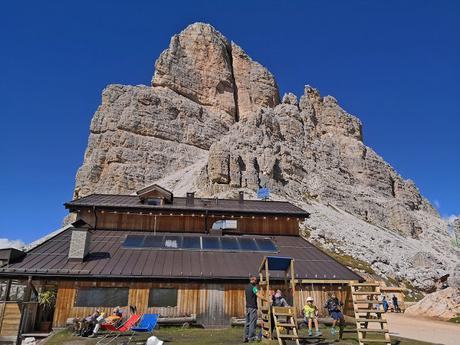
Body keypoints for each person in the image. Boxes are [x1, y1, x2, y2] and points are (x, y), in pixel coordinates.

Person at [244, 275, 263, 343]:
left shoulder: (247, 287)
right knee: (252, 323)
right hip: (253, 307)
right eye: (255, 280)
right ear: (252, 280)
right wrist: (266, 299)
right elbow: (258, 294)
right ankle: (251, 337)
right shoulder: (254, 287)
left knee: (247, 323)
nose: (256, 281)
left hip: (247, 307)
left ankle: (245, 337)